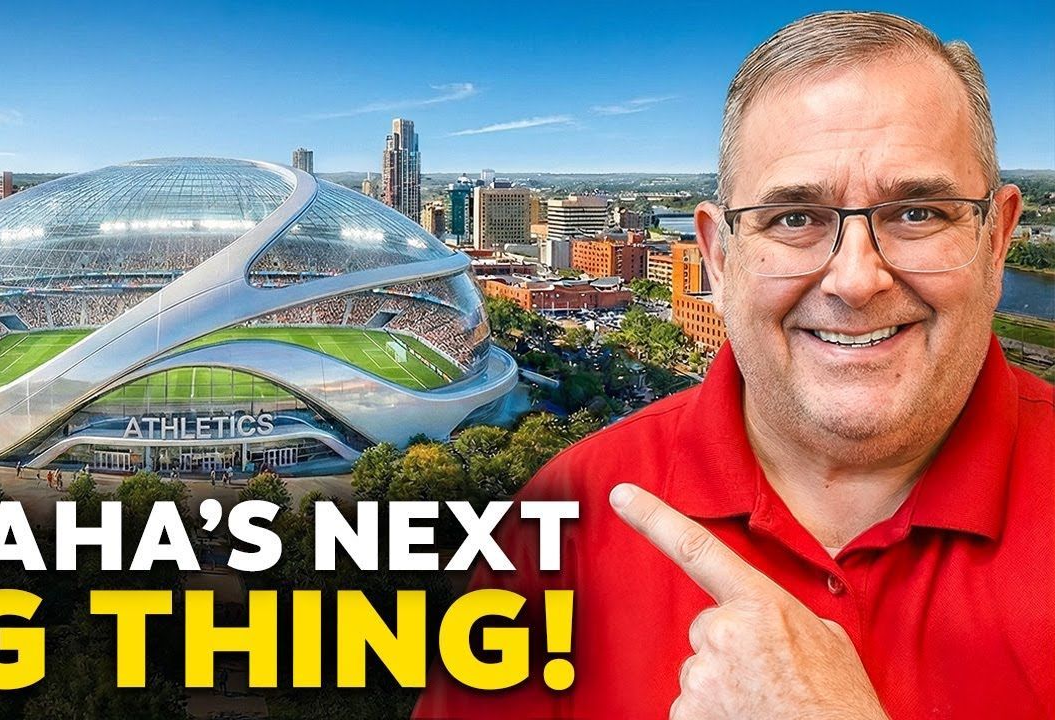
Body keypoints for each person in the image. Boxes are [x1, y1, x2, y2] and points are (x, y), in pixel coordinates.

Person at [415, 11, 1053, 720]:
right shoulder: (569, 511)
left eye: (917, 213)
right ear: (719, 258)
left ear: (997, 243)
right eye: (794, 219)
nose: (855, 279)